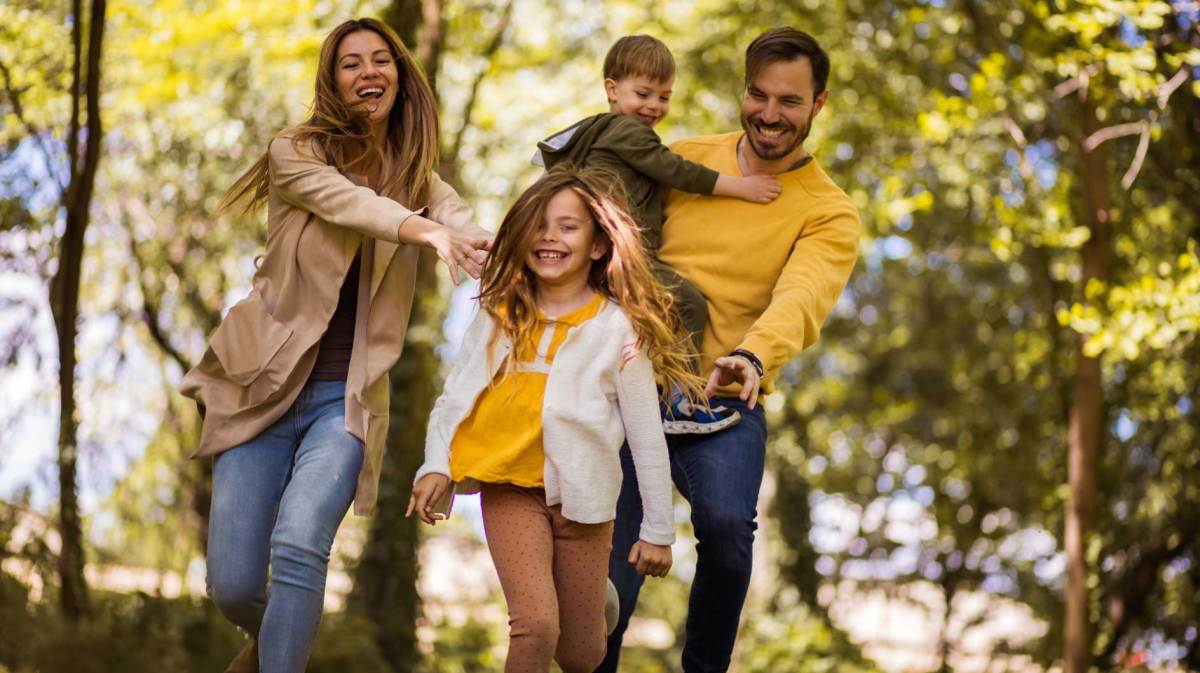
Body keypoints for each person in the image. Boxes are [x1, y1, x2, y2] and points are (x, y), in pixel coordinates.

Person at [178, 18, 491, 673]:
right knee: (233, 583)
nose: (368, 72)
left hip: (343, 400)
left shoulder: (422, 181)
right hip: (257, 385)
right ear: (332, 79)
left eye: (382, 60)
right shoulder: (295, 152)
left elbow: (467, 228)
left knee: (299, 545)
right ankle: (274, 643)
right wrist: (422, 232)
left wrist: (510, 259)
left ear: (402, 78)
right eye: (352, 63)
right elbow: (349, 203)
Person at [597, 28, 861, 673]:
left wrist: (753, 355)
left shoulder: (828, 211)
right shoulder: (683, 159)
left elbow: (801, 296)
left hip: (724, 392)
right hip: (634, 388)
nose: (770, 114)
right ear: (743, 92)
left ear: (818, 104)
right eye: (758, 95)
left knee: (725, 532)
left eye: (790, 102)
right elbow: (608, 225)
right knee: (612, 569)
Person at [408, 166, 704, 673]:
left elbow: (645, 435)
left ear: (596, 246)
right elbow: (456, 392)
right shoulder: (500, 310)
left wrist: (658, 529)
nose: (549, 237)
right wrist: (435, 463)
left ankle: (592, 598)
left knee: (582, 653)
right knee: (537, 626)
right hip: (511, 488)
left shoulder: (619, 329)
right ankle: (564, 597)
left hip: (586, 503)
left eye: (568, 227)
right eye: (539, 225)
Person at [536, 34, 783, 435]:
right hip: (622, 254)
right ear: (612, 91)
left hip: (605, 255)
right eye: (644, 93)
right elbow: (677, 170)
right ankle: (683, 401)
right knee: (685, 302)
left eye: (664, 97)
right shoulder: (626, 130)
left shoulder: (597, 134)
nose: (654, 106)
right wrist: (742, 186)